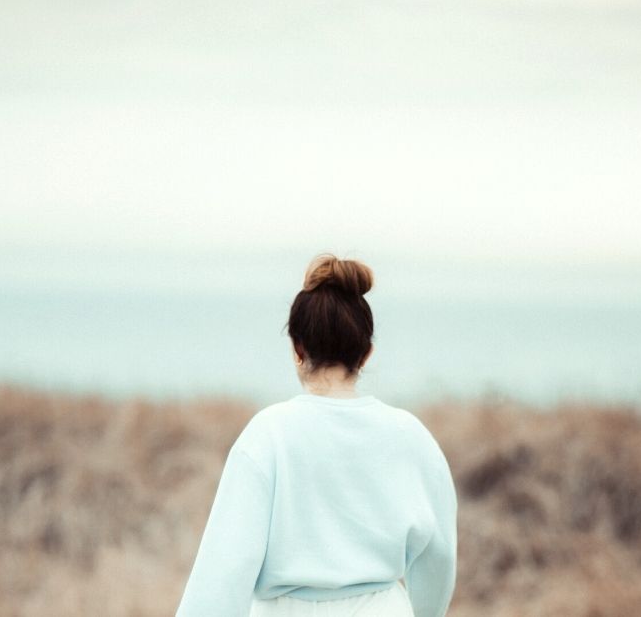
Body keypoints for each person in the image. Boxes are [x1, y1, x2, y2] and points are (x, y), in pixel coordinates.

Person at [176, 254, 457, 617]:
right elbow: (440, 558)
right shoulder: (412, 436)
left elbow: (224, 569)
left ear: (297, 349)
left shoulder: (268, 435)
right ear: (366, 354)